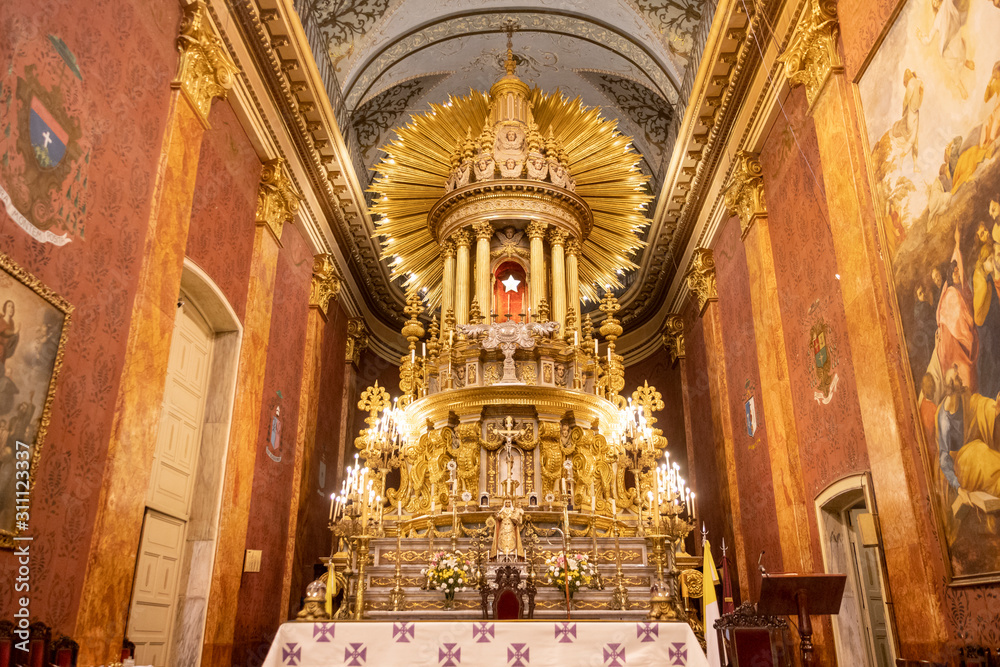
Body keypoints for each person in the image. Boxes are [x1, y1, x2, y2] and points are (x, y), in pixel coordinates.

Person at [936, 366, 1000, 506]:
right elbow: (944, 457)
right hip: (961, 464)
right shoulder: (944, 420)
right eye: (957, 378)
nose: (961, 379)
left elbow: (979, 405)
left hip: (975, 448)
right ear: (951, 388)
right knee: (981, 454)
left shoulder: (964, 397)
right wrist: (958, 488)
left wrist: (995, 409)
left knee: (983, 452)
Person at [936, 227, 979, 391]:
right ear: (949, 275)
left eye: (957, 272)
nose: (957, 274)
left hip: (957, 342)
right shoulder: (951, 294)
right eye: (953, 273)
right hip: (953, 344)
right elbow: (958, 320)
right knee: (964, 375)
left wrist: (957, 242)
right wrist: (970, 326)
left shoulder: (958, 290)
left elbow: (957, 260)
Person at [974, 224, 1000, 398]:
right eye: (990, 260)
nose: (993, 262)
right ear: (983, 262)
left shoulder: (984, 275)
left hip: (991, 323)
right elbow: (978, 317)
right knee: (992, 360)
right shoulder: (983, 284)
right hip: (987, 327)